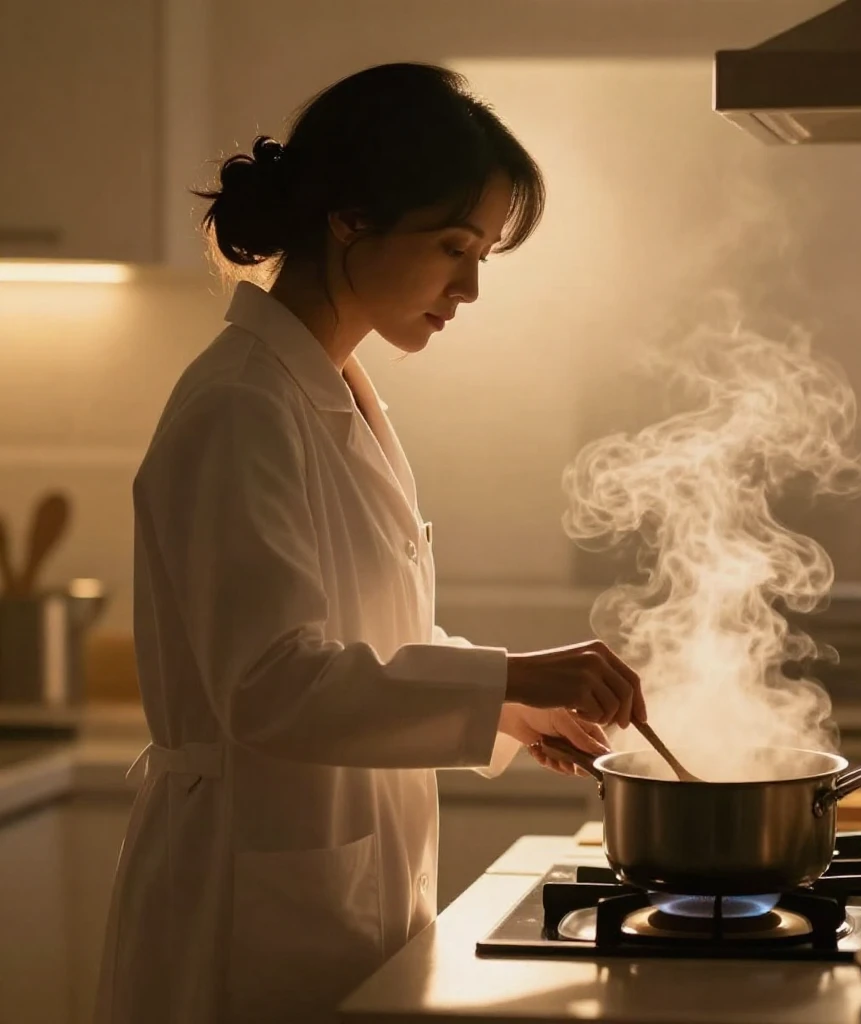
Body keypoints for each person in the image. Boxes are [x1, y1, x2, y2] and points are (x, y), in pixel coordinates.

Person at [93, 62, 646, 1024]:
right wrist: (510, 677)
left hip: (327, 894)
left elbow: (358, 641)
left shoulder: (332, 387)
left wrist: (507, 711)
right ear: (349, 219)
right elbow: (271, 685)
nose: (468, 287)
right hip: (242, 914)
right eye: (452, 246)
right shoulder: (240, 405)